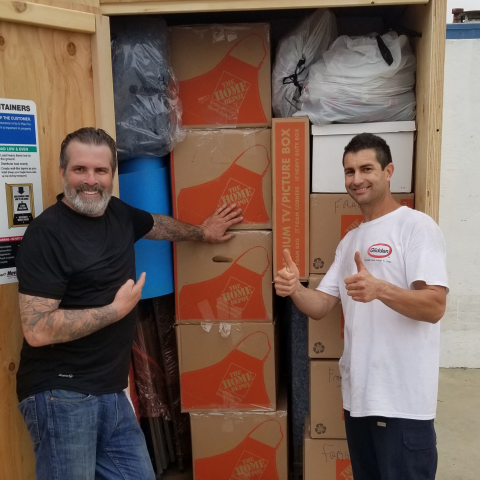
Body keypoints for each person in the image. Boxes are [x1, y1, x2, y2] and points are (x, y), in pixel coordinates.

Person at [15, 127, 243, 480]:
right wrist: (115, 311)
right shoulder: (47, 235)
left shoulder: (117, 213)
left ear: (113, 174)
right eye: (80, 169)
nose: (91, 180)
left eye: (100, 170)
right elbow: (37, 330)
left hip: (109, 390)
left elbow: (156, 225)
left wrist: (203, 232)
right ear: (63, 171)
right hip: (61, 394)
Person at [275, 133, 448, 480]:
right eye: (349, 171)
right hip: (359, 401)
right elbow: (322, 305)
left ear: (388, 171)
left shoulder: (416, 227)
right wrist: (295, 290)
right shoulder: (350, 241)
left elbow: (434, 305)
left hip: (402, 404)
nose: (357, 179)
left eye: (366, 169)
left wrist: (380, 288)